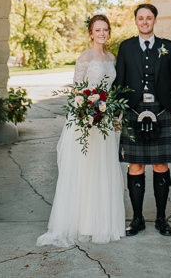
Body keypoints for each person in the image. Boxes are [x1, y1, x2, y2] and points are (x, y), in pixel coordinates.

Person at [37, 14, 125, 247]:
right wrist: (88, 111)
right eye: (98, 30)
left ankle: (101, 222)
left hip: (104, 120)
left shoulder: (112, 57)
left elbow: (111, 90)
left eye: (105, 30)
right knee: (85, 171)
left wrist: (113, 113)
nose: (102, 34)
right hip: (86, 121)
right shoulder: (85, 57)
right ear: (91, 33)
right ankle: (82, 223)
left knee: (103, 169)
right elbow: (78, 91)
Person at [114, 3, 171, 237]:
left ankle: (162, 219)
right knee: (135, 166)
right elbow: (120, 81)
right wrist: (117, 111)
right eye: (141, 18)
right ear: (135, 21)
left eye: (149, 18)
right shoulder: (126, 47)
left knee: (160, 165)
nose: (145, 21)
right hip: (133, 111)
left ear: (155, 20)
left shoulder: (168, 47)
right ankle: (137, 219)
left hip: (162, 110)